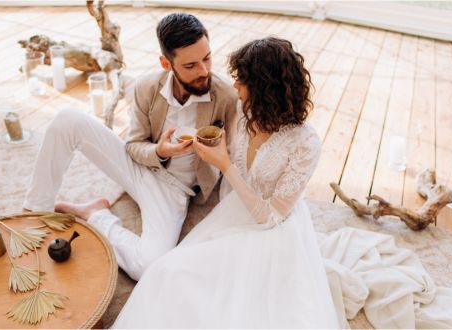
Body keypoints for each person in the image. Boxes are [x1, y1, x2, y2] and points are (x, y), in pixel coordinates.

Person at [110, 37, 340, 328]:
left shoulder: (306, 144)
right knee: (166, 272)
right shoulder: (245, 117)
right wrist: (201, 150)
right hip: (235, 210)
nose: (235, 87)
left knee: (232, 309)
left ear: (263, 88)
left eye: (242, 81)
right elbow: (231, 161)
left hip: (274, 233)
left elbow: (269, 217)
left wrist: (225, 165)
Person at [23, 13, 238, 281]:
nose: (204, 71)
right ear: (166, 63)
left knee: (148, 267)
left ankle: (96, 214)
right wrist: (160, 151)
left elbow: (234, 157)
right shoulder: (146, 87)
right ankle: (35, 212)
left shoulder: (225, 96)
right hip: (139, 167)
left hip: (174, 189)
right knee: (67, 119)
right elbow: (134, 144)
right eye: (191, 65)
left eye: (207, 58)